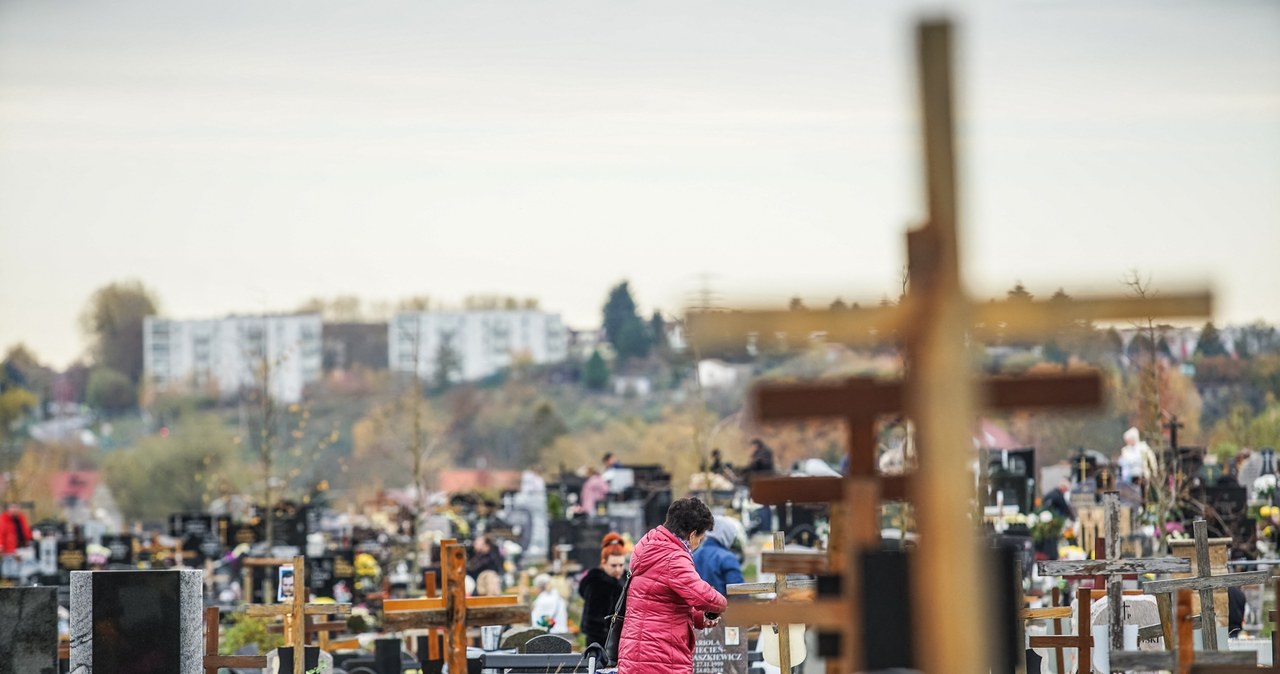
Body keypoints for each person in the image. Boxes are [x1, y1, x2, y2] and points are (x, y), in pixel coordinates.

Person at [618, 497, 727, 674]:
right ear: (692, 535)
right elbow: (703, 596)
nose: (699, 542)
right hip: (660, 656)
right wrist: (722, 603)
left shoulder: (649, 544)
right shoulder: (673, 557)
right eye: (701, 537)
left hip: (638, 653)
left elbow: (659, 601)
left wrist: (699, 616)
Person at [579, 538, 627, 648]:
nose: (618, 569)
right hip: (601, 645)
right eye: (613, 565)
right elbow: (591, 623)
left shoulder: (625, 579)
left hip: (622, 643)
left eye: (621, 565)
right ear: (604, 563)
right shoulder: (596, 584)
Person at [692, 516, 745, 596]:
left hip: (696, 607)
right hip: (723, 606)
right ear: (727, 534)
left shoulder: (693, 556)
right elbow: (738, 593)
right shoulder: (727, 558)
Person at [0, 501, 33, 578]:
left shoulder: (21, 518)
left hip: (22, 548)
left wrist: (31, 536)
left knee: (23, 569)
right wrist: (1, 545)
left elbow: (26, 532)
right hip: (10, 550)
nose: (15, 510)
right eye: (13, 508)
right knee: (9, 570)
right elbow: (1, 533)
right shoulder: (4, 520)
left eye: (16, 508)